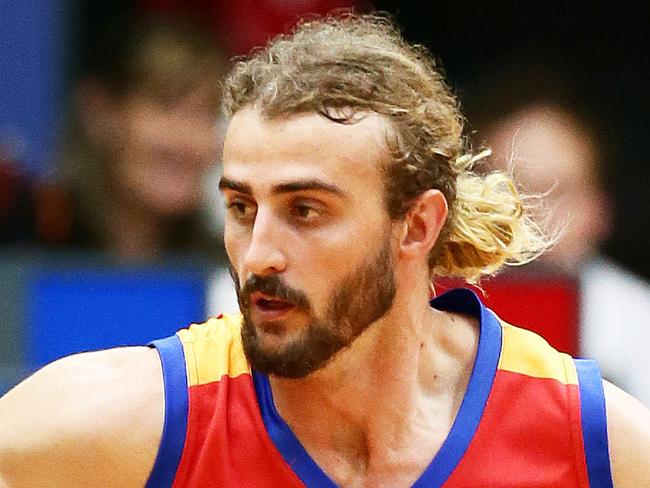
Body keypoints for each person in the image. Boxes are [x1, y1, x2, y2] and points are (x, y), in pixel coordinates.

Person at [1, 13, 649, 487]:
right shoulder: (125, 423)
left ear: (417, 226)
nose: (258, 255)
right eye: (241, 208)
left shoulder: (596, 442)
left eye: (305, 210)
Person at [468, 78, 650, 406]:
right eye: (511, 188)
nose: (533, 213)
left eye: (557, 192)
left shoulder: (640, 322)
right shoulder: (429, 301)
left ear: (600, 209)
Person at [0, 14, 226, 262]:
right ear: (101, 111)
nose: (188, 140)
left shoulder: (230, 263)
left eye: (207, 113)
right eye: (166, 106)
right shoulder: (23, 240)